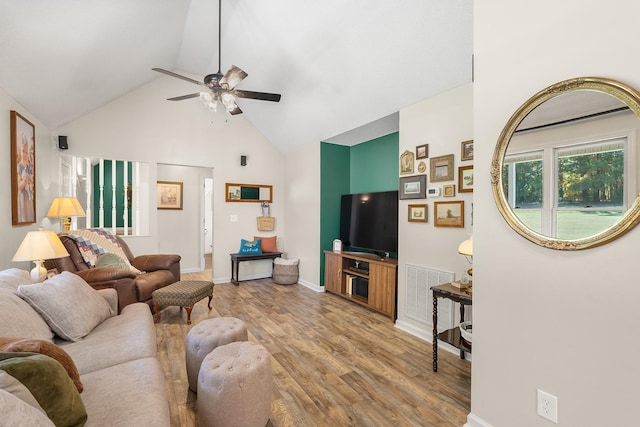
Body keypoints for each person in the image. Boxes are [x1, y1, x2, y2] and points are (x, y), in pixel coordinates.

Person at [17, 134, 34, 222]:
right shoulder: (19, 166)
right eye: (23, 151)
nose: (25, 154)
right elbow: (19, 186)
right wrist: (25, 180)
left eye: (26, 152)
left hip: (28, 195)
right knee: (24, 215)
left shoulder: (28, 167)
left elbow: (32, 181)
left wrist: (30, 180)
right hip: (22, 196)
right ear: (20, 151)